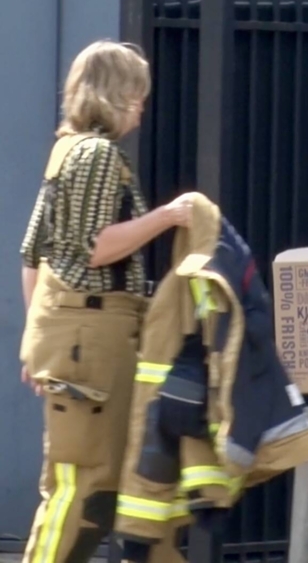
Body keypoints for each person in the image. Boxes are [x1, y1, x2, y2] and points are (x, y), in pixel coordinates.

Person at [18, 40, 195, 563]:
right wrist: (168, 217)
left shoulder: (65, 149)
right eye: (136, 95)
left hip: (74, 335)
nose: (142, 107)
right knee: (84, 487)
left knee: (105, 483)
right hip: (92, 338)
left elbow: (33, 254)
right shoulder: (96, 155)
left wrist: (39, 338)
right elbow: (95, 247)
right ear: (114, 96)